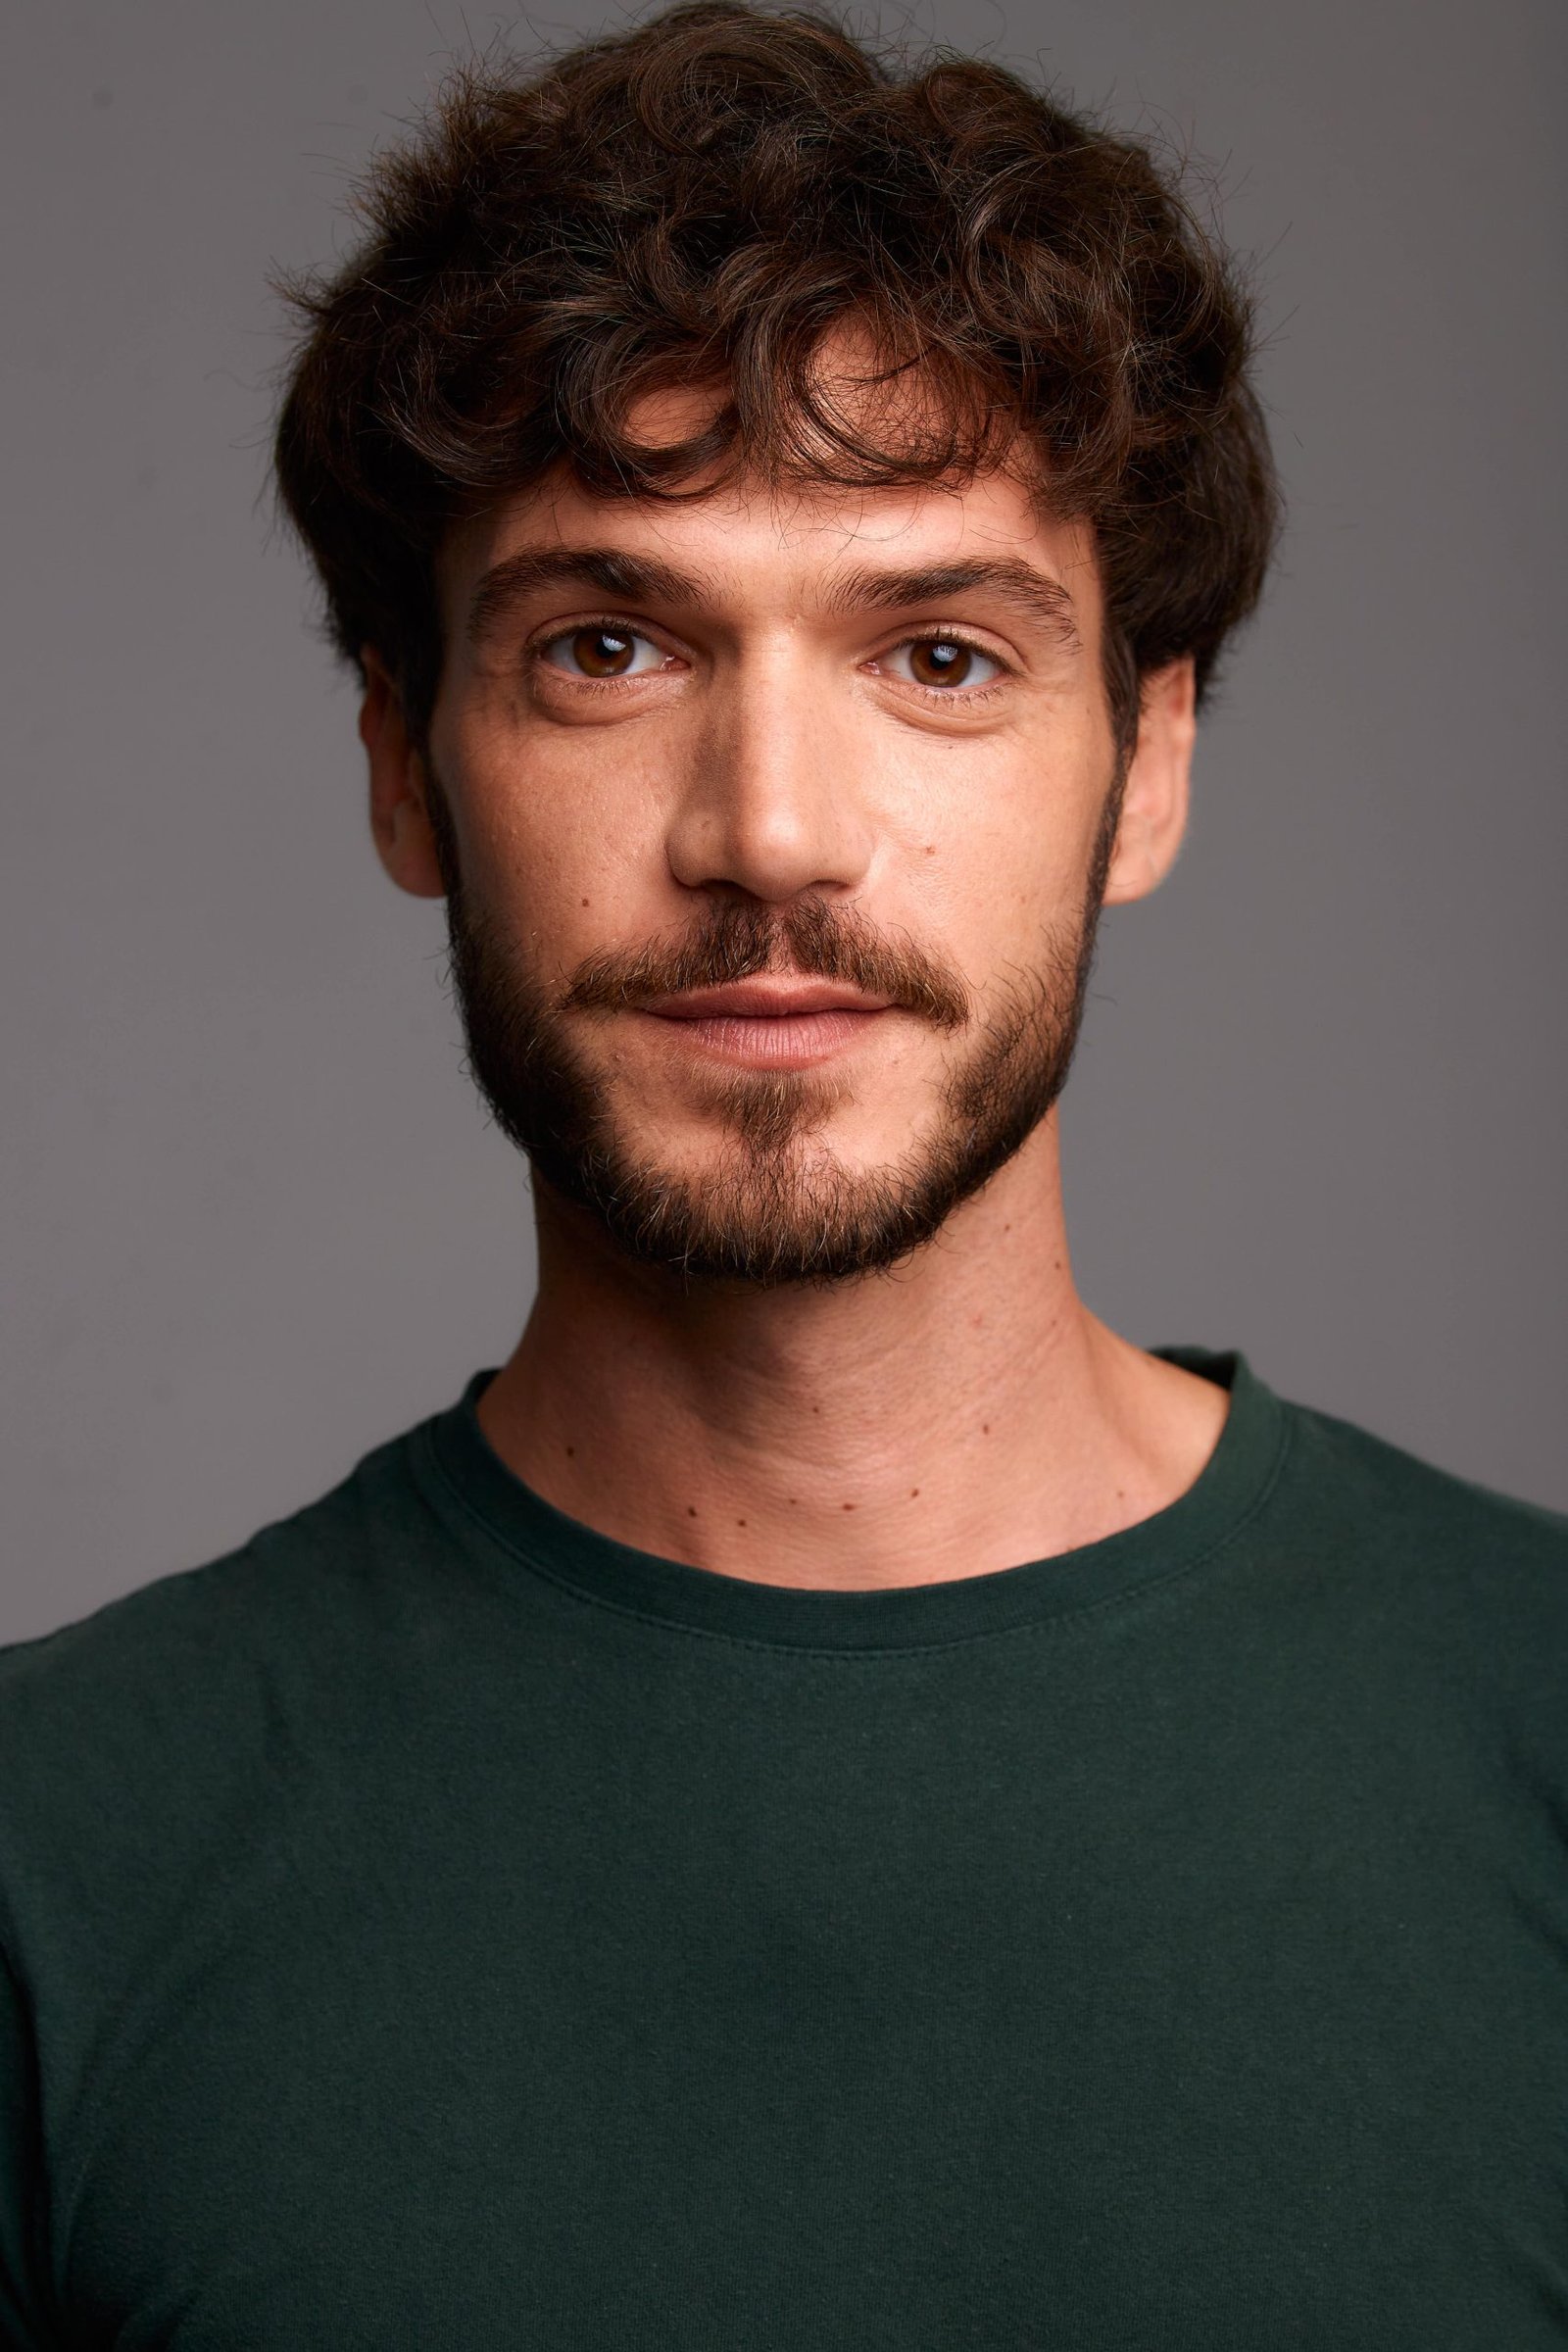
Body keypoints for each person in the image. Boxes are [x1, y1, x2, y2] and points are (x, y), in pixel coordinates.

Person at [2, 4, 1564, 2342]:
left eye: (936, 655)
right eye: (606, 646)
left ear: (1143, 767)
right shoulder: (51, 1859)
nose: (768, 832)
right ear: (405, 765)